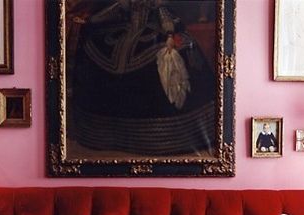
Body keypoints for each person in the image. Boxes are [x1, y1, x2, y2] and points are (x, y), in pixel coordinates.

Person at [68, 0, 216, 156]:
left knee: (172, 52)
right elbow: (113, 9)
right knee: (94, 43)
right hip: (121, 28)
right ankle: (104, 130)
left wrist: (168, 31)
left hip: (156, 27)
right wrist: (97, 18)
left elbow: (165, 13)